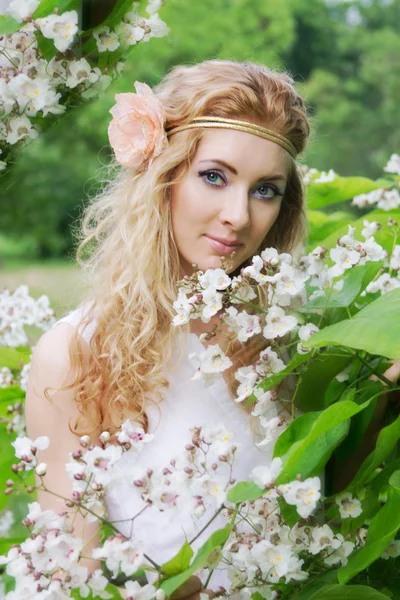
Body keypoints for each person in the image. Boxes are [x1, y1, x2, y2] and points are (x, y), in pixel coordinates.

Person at [24, 60, 311, 598]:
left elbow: (319, 514)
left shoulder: (286, 336)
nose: (238, 215)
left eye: (265, 189)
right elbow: (71, 578)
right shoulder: (76, 353)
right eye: (214, 177)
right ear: (164, 175)